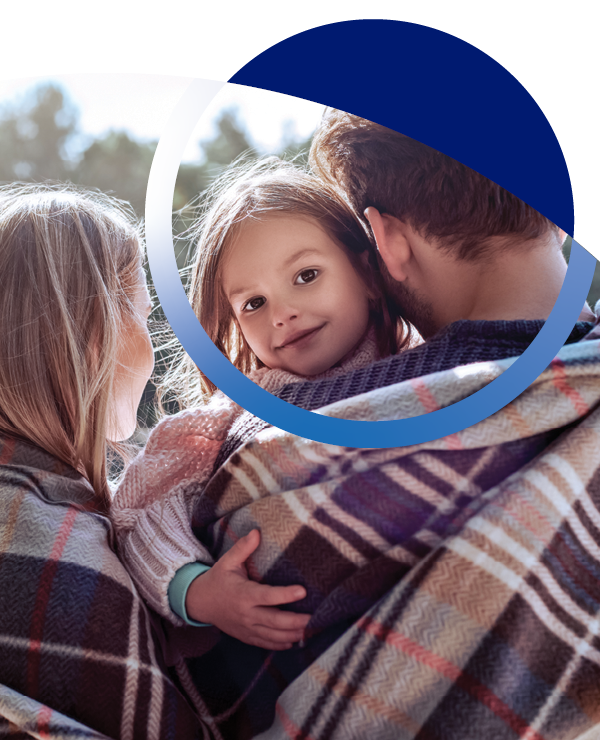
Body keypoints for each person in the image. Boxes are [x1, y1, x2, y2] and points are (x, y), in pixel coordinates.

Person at [0, 184, 308, 739]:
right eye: (144, 315)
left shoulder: (57, 500)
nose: (151, 342)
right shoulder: (35, 525)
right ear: (93, 333)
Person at [112, 157, 412, 636]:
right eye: (254, 303)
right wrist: (197, 590)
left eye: (306, 275)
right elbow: (138, 513)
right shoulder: (236, 413)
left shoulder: (433, 356)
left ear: (369, 274)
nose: (283, 313)